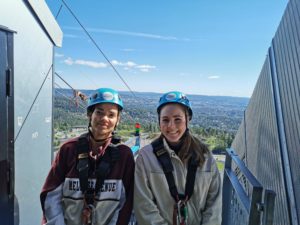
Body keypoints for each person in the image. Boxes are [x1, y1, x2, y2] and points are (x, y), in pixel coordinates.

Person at [40, 88, 134, 225]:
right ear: (90, 115)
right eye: (99, 112)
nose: (104, 119)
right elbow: (51, 196)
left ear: (117, 121)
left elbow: (127, 204)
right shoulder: (69, 150)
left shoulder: (123, 156)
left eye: (111, 115)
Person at [134, 91, 222, 225]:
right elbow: (144, 207)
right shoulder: (146, 157)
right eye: (165, 120)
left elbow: (214, 206)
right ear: (159, 121)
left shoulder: (205, 157)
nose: (171, 126)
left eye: (177, 119)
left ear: (187, 120)